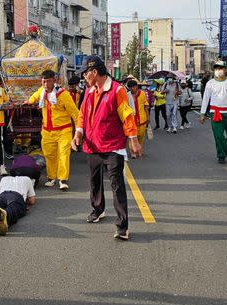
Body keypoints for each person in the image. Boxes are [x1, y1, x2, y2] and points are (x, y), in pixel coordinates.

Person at [71, 56, 141, 241]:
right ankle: (97, 209)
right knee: (95, 181)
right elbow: (82, 115)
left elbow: (127, 117)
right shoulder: (88, 91)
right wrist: (78, 133)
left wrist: (133, 139)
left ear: (94, 72)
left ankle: (122, 226)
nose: (84, 77)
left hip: (113, 146)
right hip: (93, 144)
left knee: (117, 185)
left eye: (85, 73)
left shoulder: (117, 90)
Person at [28, 69, 80, 190]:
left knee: (63, 155)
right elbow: (33, 98)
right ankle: (51, 177)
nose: (46, 84)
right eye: (44, 81)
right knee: (49, 155)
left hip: (63, 130)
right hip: (47, 130)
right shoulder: (41, 92)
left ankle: (62, 179)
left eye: (49, 81)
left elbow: (75, 113)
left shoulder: (64, 95)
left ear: (54, 81)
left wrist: (79, 131)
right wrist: (28, 101)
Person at [199, 61, 227, 164]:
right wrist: (202, 114)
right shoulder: (210, 83)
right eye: (216, 68)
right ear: (214, 70)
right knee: (218, 136)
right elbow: (206, 99)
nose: (218, 70)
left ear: (225, 70)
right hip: (215, 112)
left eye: (221, 68)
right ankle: (221, 155)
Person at [0, 169, 36, 236]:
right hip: (16, 195)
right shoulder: (27, 179)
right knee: (13, 208)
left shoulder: (4, 178)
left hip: (2, 195)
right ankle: (5, 214)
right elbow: (32, 200)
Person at [126, 80, 150, 149]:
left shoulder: (142, 94)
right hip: (131, 120)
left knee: (141, 136)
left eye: (133, 87)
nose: (132, 89)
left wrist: (148, 117)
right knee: (132, 136)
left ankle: (139, 149)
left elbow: (146, 106)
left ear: (136, 86)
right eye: (130, 87)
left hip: (142, 119)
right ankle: (133, 151)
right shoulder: (127, 95)